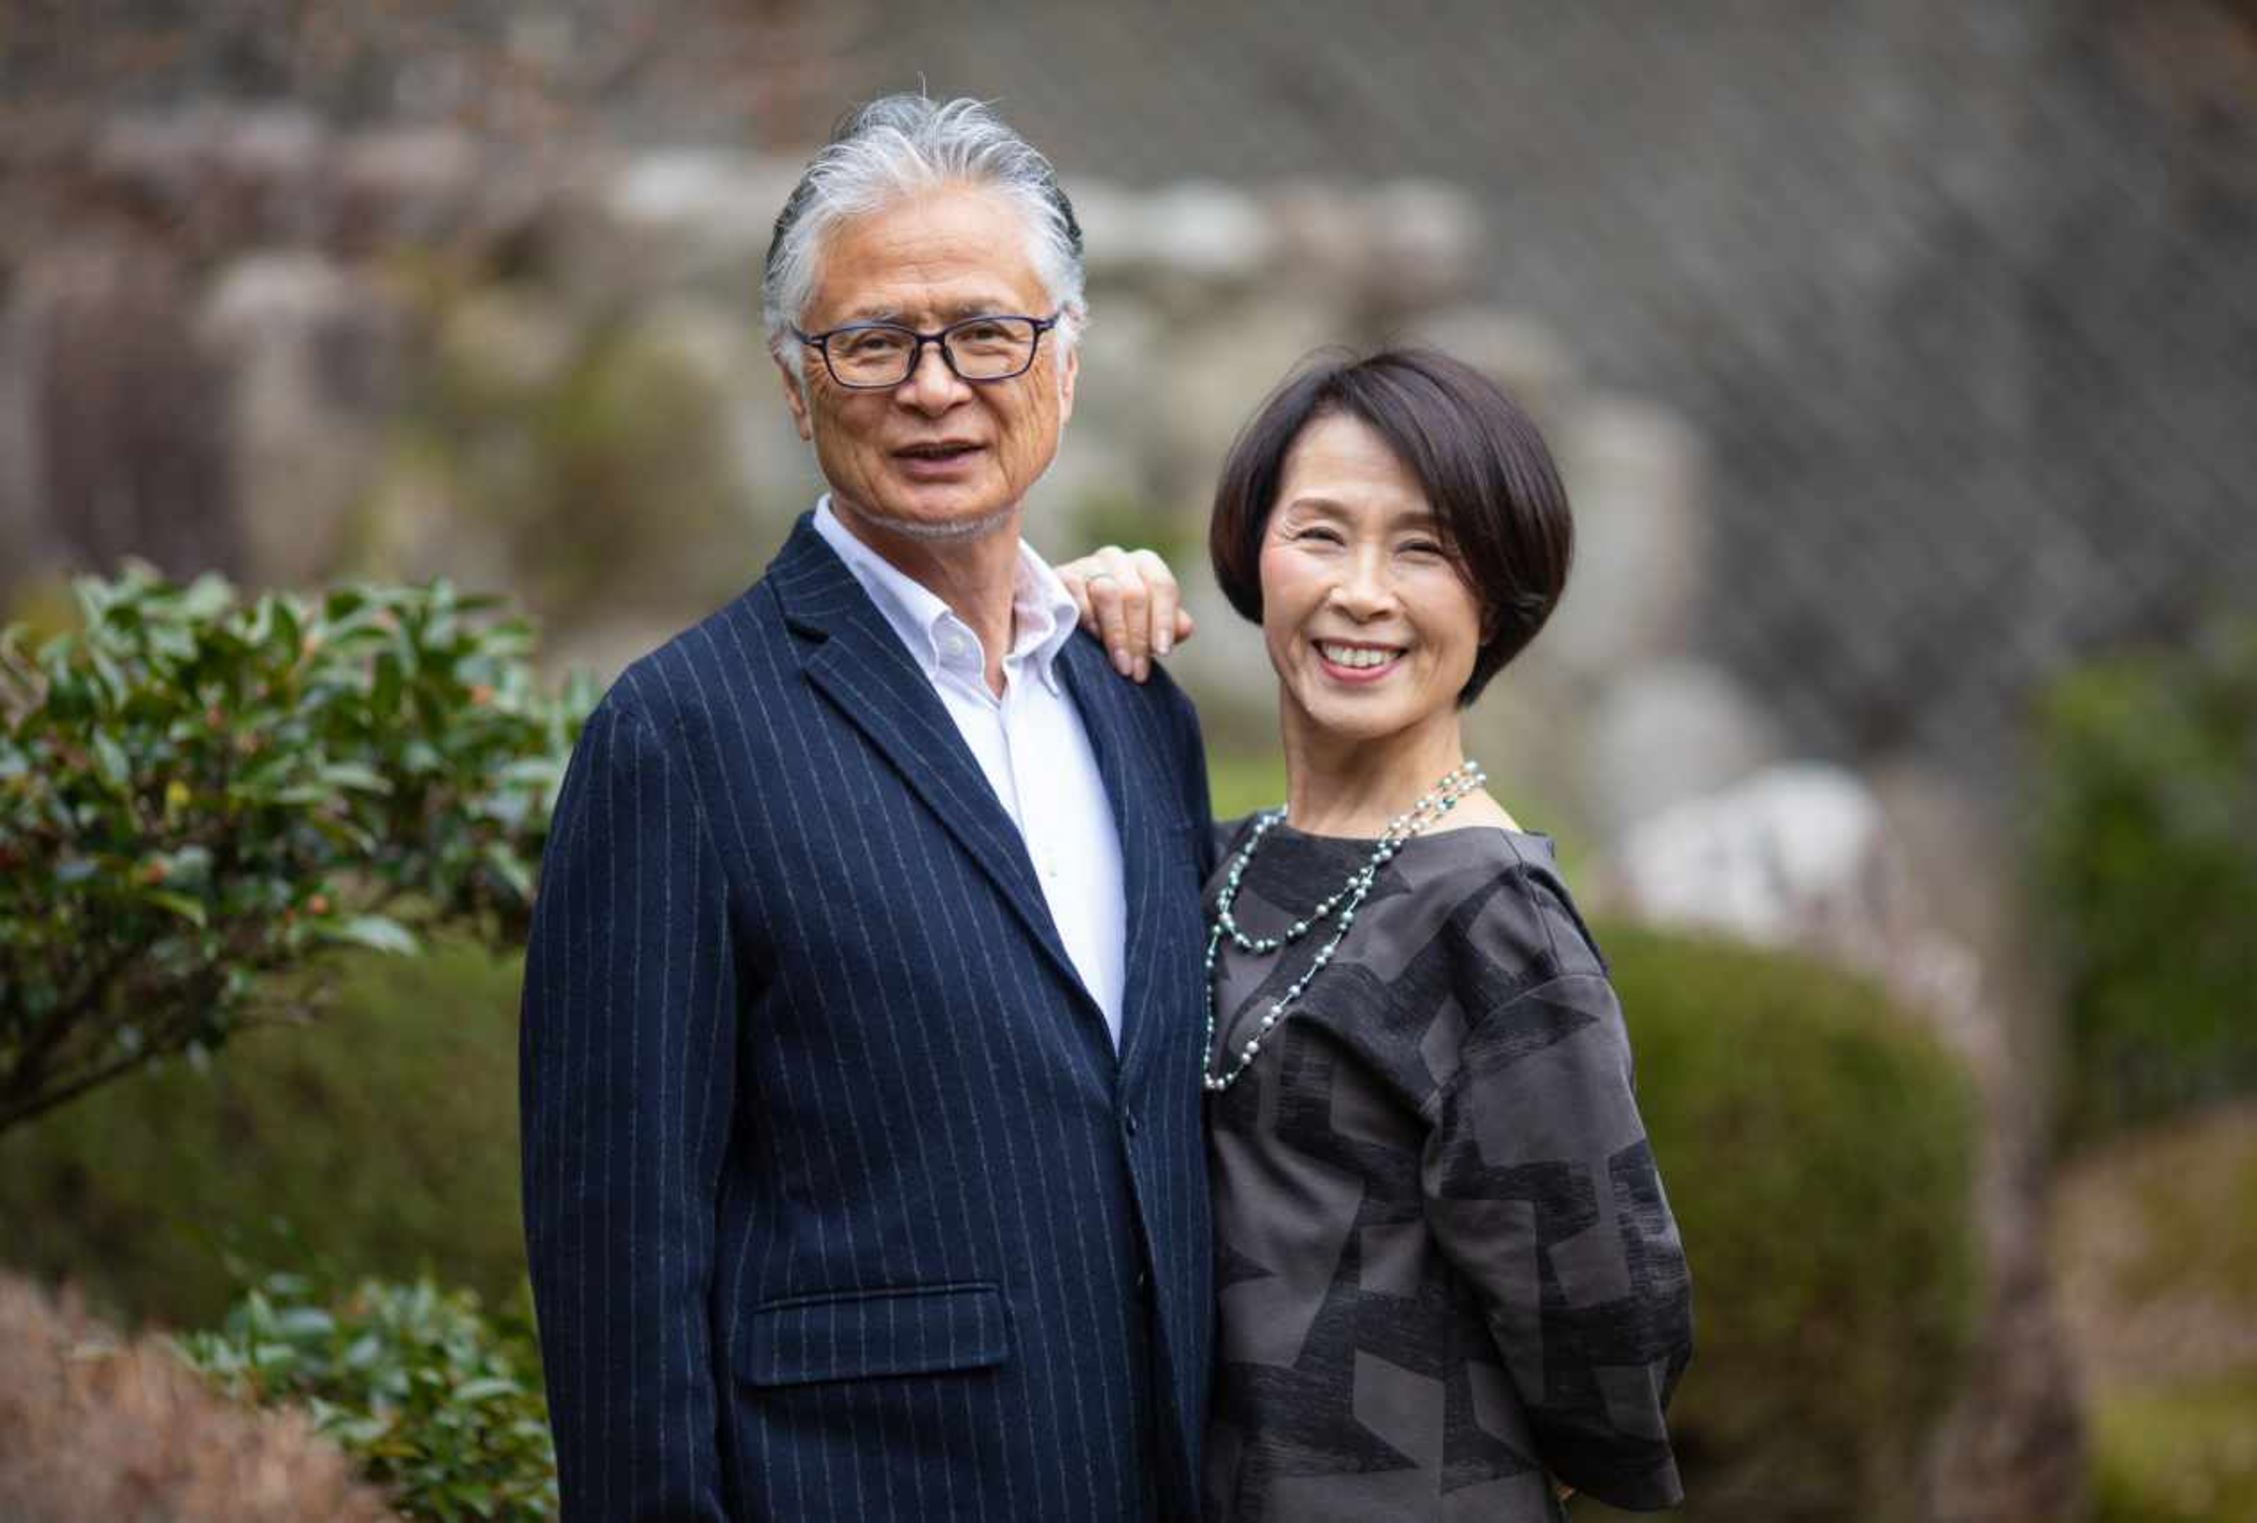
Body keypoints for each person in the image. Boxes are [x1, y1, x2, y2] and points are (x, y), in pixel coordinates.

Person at [518, 94, 1218, 1522]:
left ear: (1066, 360)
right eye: (874, 342)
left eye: (985, 332)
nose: (934, 386)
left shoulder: (1138, 701)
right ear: (797, 385)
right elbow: (619, 1263)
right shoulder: (678, 737)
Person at [1069, 349, 1692, 1520]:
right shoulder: (1213, 858)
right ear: (1252, 551)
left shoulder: (1495, 920)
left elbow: (1613, 1336)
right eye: (1321, 533)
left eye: (1424, 548)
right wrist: (1048, 616)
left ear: (1499, 595)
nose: (1363, 591)